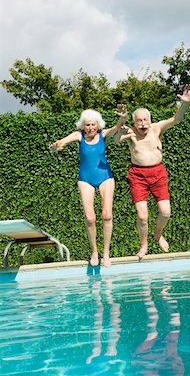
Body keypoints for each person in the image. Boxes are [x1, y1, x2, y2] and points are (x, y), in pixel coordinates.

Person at [114, 84, 190, 260]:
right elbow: (115, 140)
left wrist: (185, 103)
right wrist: (121, 124)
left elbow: (176, 119)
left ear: (150, 120)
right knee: (142, 216)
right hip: (138, 175)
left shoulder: (157, 128)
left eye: (145, 120)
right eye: (139, 121)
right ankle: (144, 244)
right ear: (134, 122)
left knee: (165, 212)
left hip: (158, 173)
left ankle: (158, 234)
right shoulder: (131, 134)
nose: (143, 124)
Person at [49, 105, 127, 267]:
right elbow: (60, 143)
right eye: (87, 125)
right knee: (90, 218)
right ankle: (94, 251)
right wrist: (56, 147)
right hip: (85, 179)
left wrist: (123, 116)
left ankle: (106, 253)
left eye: (93, 124)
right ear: (82, 126)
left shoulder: (103, 134)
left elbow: (118, 127)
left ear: (98, 125)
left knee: (107, 215)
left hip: (105, 177)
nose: (91, 128)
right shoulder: (78, 136)